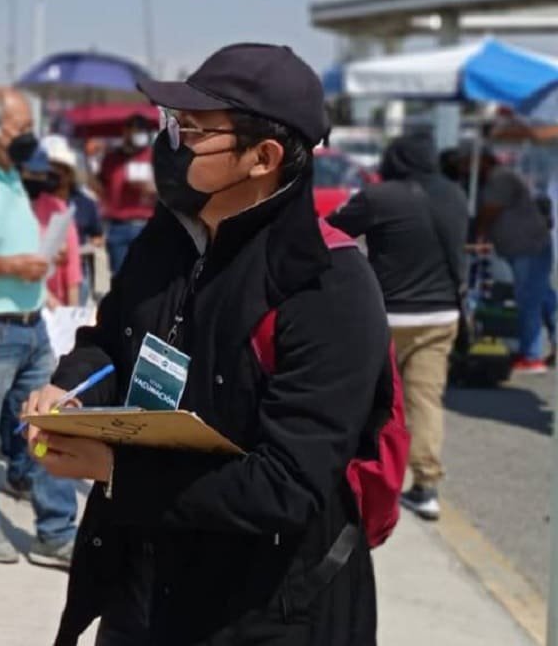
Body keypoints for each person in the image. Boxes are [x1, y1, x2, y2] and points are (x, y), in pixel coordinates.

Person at [26, 43, 390, 645]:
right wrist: (71, 387)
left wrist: (116, 469)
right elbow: (112, 339)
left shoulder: (326, 287)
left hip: (262, 609)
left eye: (194, 130)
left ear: (263, 157)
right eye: (173, 123)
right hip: (140, 585)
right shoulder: (166, 240)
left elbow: (287, 485)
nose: (170, 144)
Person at [0, 88, 79, 568]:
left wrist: (46, 261)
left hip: (33, 324)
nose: (30, 138)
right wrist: (10, 266)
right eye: (21, 128)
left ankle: (55, 531)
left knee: (52, 423)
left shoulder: (9, 173)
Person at [329, 133, 467, 521]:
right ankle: (425, 487)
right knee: (424, 401)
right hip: (441, 316)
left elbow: (330, 232)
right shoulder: (455, 195)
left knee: (368, 402)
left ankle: (360, 478)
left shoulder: (379, 197)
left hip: (386, 317)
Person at [476, 152, 557, 373]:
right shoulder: (500, 177)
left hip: (528, 247)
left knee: (530, 299)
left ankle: (532, 357)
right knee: (543, 296)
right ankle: (537, 350)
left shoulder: (499, 178)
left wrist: (478, 232)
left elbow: (490, 209)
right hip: (528, 247)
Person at [98, 114, 157, 274]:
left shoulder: (154, 157)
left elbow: (169, 189)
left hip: (146, 224)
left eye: (142, 131)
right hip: (117, 225)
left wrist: (154, 188)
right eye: (135, 130)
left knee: (146, 276)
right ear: (125, 132)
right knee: (119, 277)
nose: (139, 135)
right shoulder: (111, 159)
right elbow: (101, 187)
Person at [35, 134, 83, 308]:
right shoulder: (22, 204)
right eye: (52, 168)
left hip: (57, 304)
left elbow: (73, 271)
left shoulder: (61, 208)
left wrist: (72, 314)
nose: (57, 175)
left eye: (61, 170)